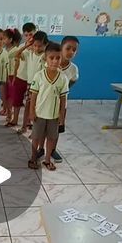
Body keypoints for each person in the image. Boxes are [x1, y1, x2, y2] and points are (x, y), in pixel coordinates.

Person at [38, 35, 80, 163]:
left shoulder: (73, 69)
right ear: (61, 48)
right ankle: (41, 148)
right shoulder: (48, 63)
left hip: (60, 105)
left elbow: (71, 83)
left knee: (56, 128)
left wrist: (62, 93)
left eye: (74, 50)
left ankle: (52, 150)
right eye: (68, 48)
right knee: (42, 128)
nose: (71, 52)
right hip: (45, 103)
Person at [28, 41, 69, 171]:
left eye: (58, 58)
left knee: (52, 137)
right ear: (46, 58)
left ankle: (47, 160)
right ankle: (33, 158)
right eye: (52, 58)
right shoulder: (39, 76)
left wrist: (62, 116)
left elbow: (63, 99)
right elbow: (33, 96)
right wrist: (31, 112)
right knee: (36, 137)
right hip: (39, 113)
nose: (55, 61)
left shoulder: (63, 78)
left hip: (53, 115)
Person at [17, 31, 48, 135]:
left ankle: (35, 130)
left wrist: (45, 51)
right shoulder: (29, 53)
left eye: (40, 46)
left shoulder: (45, 56)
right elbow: (16, 54)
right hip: (30, 85)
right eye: (34, 45)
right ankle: (24, 127)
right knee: (28, 106)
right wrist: (27, 45)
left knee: (37, 109)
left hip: (41, 86)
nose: (37, 48)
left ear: (45, 45)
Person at [10, 22, 36, 127]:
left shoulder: (39, 48)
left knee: (30, 102)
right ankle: (15, 119)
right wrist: (26, 47)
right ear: (23, 36)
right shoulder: (22, 46)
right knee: (17, 100)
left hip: (33, 79)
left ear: (35, 33)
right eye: (26, 35)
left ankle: (28, 121)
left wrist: (33, 47)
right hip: (21, 77)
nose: (29, 37)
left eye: (31, 34)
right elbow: (13, 55)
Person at [3, 28, 22, 125]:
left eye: (4, 38)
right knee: (6, 96)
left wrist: (14, 77)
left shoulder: (15, 50)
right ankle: (8, 113)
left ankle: (11, 115)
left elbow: (17, 64)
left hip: (11, 76)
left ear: (10, 40)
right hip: (5, 75)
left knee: (11, 97)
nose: (2, 40)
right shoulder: (4, 49)